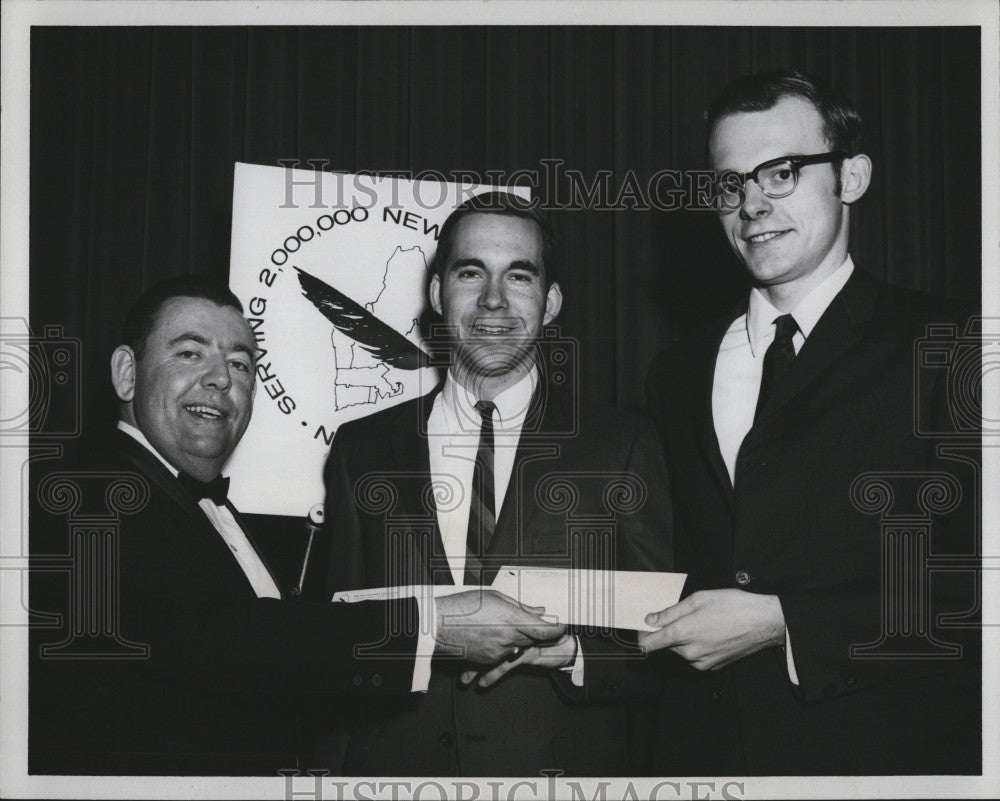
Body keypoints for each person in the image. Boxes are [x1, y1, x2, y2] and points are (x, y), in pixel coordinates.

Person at [28, 276, 562, 776]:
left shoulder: (196, 507)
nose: (220, 379)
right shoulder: (90, 496)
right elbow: (236, 642)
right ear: (126, 372)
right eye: (190, 353)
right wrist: (435, 627)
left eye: (241, 364)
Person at [642, 69, 981, 775]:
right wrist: (576, 634)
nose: (751, 203)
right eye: (729, 183)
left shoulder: (952, 346)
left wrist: (786, 623)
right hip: (708, 761)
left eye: (782, 172)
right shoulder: (675, 372)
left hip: (888, 762)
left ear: (851, 177)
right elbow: (670, 566)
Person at [307, 191, 673, 776]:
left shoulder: (623, 444)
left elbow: (662, 641)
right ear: (437, 294)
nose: (494, 299)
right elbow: (330, 638)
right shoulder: (362, 449)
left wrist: (575, 653)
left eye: (519, 276)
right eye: (471, 272)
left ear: (550, 303)